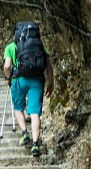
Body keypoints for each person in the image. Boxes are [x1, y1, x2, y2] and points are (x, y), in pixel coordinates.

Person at [3, 22, 54, 157]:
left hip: (19, 80)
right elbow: (49, 65)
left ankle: (25, 133)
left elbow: (7, 66)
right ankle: (36, 145)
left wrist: (8, 78)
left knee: (18, 108)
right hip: (37, 80)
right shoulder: (39, 46)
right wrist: (51, 82)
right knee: (35, 112)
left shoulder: (11, 47)